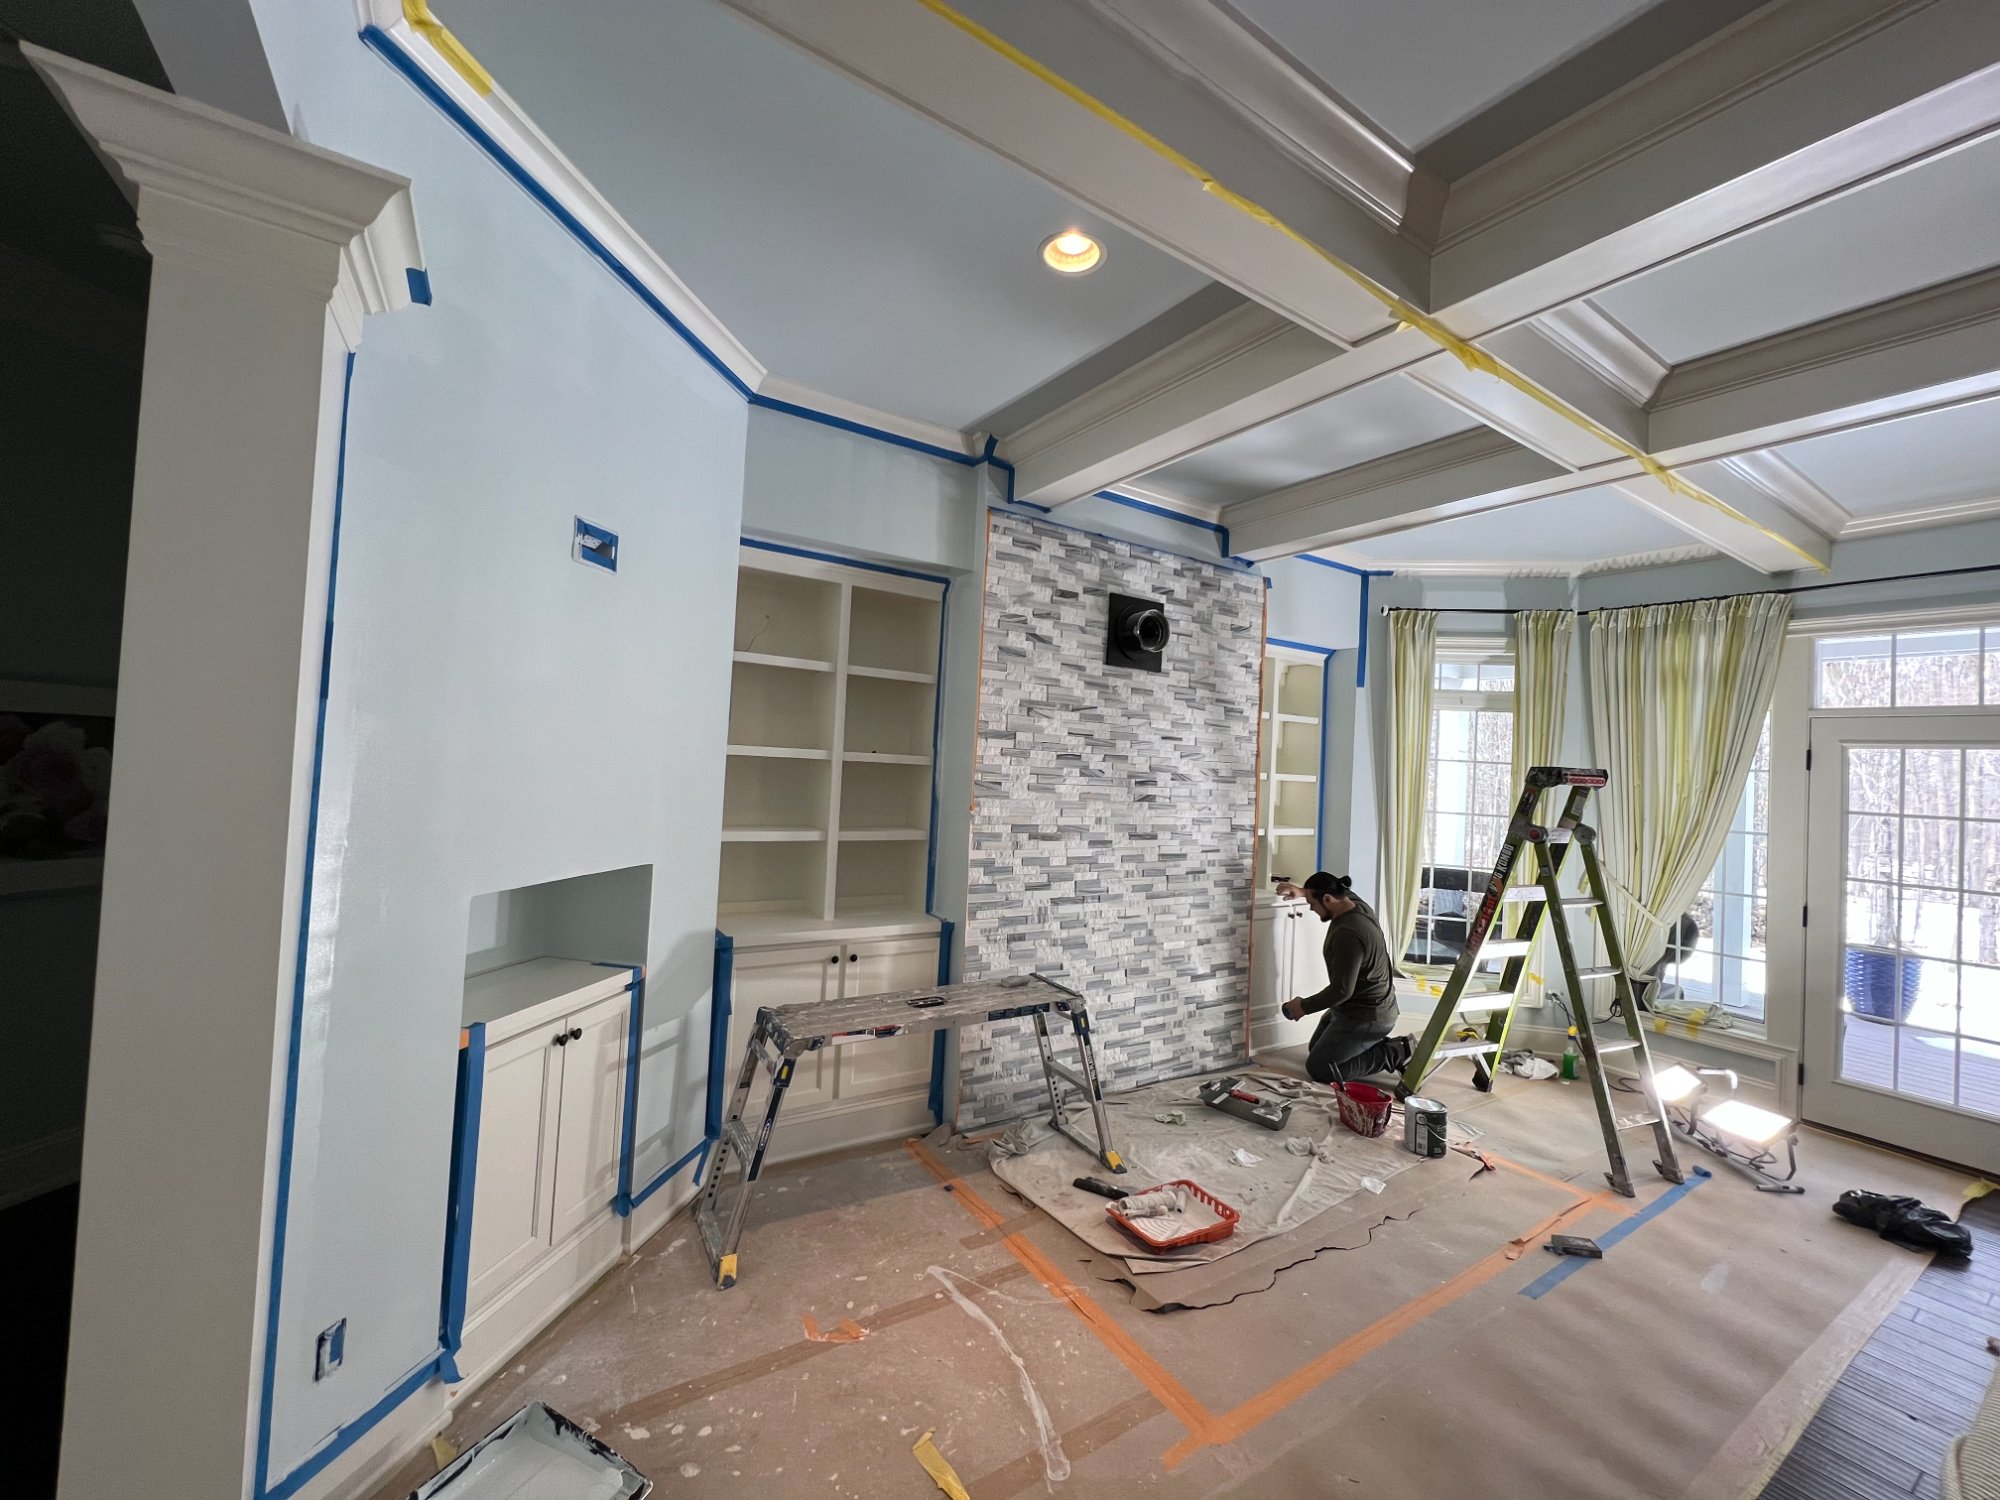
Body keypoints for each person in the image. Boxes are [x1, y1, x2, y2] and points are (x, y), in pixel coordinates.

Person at [1275, 872, 1412, 1085]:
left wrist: (1303, 1006)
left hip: (1369, 1015)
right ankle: (1368, 1045)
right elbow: (1336, 887)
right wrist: (1302, 891)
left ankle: (1396, 1052)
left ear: (1328, 899)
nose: (1311, 908)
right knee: (1316, 1049)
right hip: (1354, 1008)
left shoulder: (1347, 933)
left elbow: (1341, 990)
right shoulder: (1357, 905)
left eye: (1312, 903)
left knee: (1320, 1069)